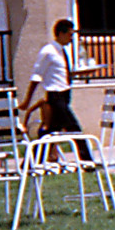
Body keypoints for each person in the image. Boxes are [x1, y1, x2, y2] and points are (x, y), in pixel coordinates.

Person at [19, 19, 92, 162]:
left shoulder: (62, 51)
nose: (71, 38)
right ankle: (87, 161)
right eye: (70, 35)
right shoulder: (48, 51)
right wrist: (27, 100)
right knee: (74, 128)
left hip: (64, 95)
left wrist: (79, 73)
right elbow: (36, 76)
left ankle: (30, 163)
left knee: (48, 133)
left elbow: (61, 73)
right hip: (56, 97)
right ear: (60, 34)